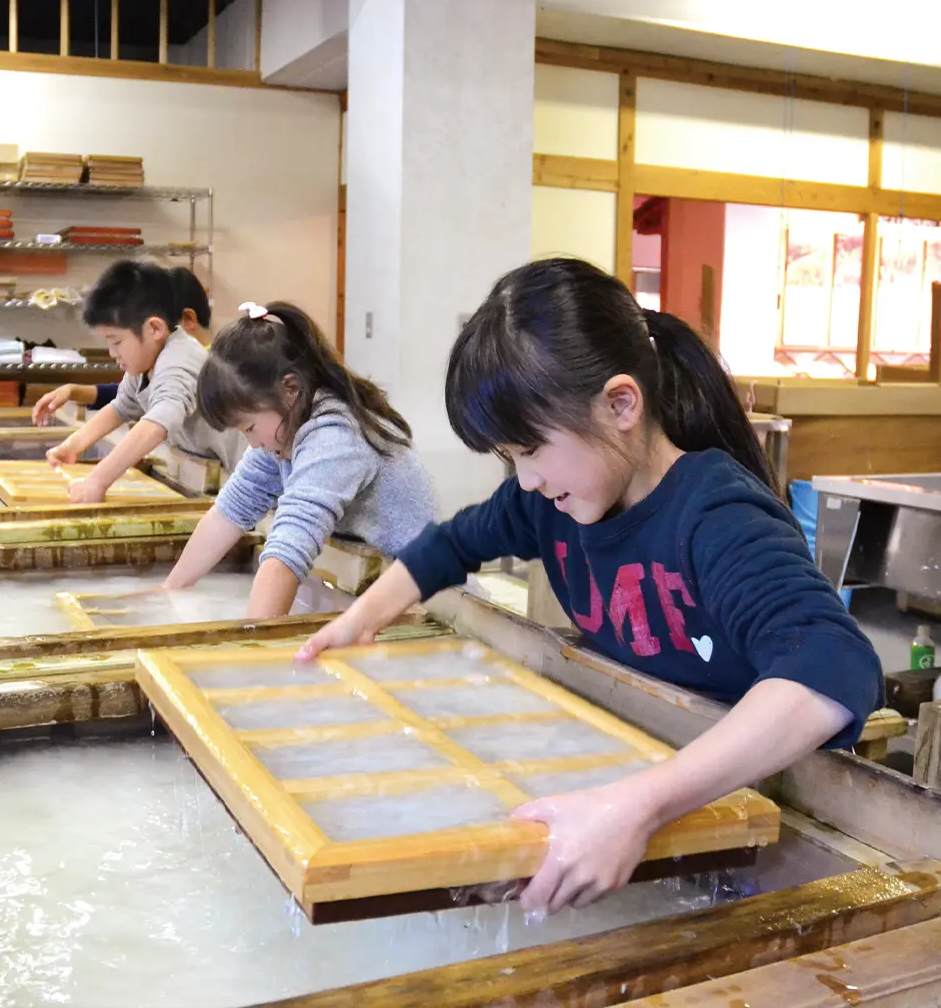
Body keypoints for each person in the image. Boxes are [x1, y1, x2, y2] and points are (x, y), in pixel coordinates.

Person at [295, 257, 884, 919]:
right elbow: (451, 545)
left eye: (530, 451)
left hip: (744, 814)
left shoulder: (716, 517)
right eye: (508, 460)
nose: (523, 481)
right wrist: (358, 621)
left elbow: (834, 668)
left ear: (621, 404)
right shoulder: (553, 502)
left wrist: (636, 806)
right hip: (644, 778)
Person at [163, 301, 437, 618]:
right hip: (375, 594)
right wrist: (170, 590)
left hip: (430, 608)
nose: (253, 444)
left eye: (250, 428)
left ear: (290, 388)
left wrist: (250, 645)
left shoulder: (336, 436)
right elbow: (231, 509)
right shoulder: (289, 427)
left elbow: (288, 549)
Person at [43, 261, 243, 502]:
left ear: (154, 329)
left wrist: (97, 481)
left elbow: (158, 423)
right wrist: (72, 447)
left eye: (116, 341)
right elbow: (119, 408)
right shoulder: (145, 365)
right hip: (205, 473)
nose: (112, 352)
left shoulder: (180, 357)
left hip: (240, 478)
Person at [33, 266, 213, 424]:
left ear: (188, 319)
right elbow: (126, 397)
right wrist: (72, 391)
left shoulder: (200, 364)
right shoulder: (157, 361)